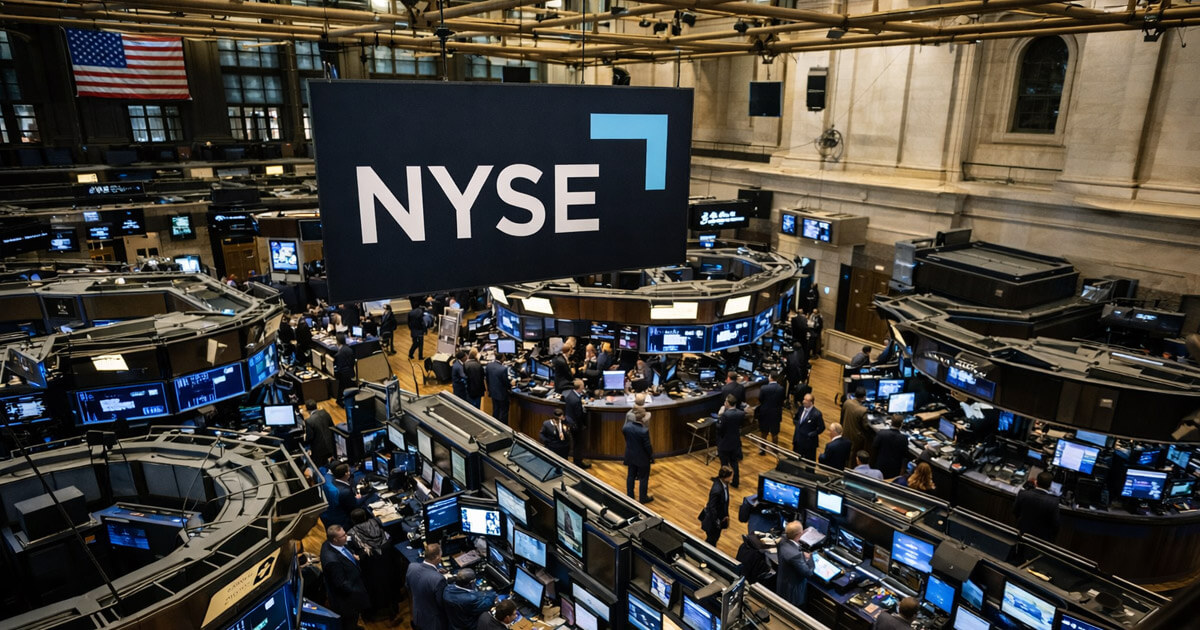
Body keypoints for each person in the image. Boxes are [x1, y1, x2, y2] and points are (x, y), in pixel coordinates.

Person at [348, 508, 396, 620]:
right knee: (388, 585)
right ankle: (392, 608)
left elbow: (351, 549)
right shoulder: (375, 522)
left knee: (374, 590)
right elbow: (388, 538)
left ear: (353, 520)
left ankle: (374, 613)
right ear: (365, 517)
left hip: (369, 568)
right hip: (386, 562)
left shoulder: (351, 533)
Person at [321, 525, 370, 630]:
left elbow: (344, 550)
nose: (346, 536)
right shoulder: (332, 561)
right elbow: (342, 584)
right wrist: (358, 592)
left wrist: (352, 554)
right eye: (343, 535)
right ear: (335, 539)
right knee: (350, 621)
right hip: (347, 601)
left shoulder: (329, 543)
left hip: (353, 583)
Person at [407, 543, 449, 630]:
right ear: (437, 557)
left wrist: (436, 572)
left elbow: (408, 586)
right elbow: (441, 603)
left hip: (417, 614)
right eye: (441, 555)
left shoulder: (412, 566)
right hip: (433, 622)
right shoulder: (439, 579)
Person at [776, 520, 815, 608]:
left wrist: (802, 554)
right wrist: (811, 558)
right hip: (793, 594)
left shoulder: (782, 541)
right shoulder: (795, 556)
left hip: (782, 584)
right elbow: (808, 573)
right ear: (799, 535)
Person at [1015, 471, 1061, 542]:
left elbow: (1015, 511)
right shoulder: (1054, 502)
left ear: (1036, 482)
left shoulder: (1023, 494)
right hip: (1040, 540)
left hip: (1021, 533)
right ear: (1050, 486)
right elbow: (1055, 525)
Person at [325, 462, 370, 529]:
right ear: (346, 473)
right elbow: (355, 506)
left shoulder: (334, 482)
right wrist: (365, 495)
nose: (350, 472)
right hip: (347, 520)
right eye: (349, 470)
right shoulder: (345, 492)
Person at [623, 406, 653, 503]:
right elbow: (647, 446)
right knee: (643, 478)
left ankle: (630, 497)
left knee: (630, 475)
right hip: (642, 458)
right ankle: (643, 498)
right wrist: (651, 456)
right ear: (643, 418)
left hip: (630, 455)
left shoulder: (626, 427)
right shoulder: (643, 431)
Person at [716, 394, 745, 488]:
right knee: (734, 463)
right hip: (735, 442)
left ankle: (723, 482)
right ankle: (735, 481)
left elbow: (720, 428)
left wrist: (719, 416)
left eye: (725, 402)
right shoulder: (741, 413)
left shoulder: (725, 415)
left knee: (724, 464)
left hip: (724, 443)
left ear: (727, 403)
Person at [701, 465, 734, 545]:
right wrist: (717, 522)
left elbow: (724, 502)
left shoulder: (724, 484)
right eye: (731, 476)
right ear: (725, 477)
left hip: (720, 518)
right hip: (713, 522)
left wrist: (726, 515)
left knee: (715, 538)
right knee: (711, 540)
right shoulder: (717, 490)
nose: (732, 478)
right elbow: (712, 507)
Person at [564, 379, 591, 468]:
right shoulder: (576, 400)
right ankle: (578, 463)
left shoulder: (570, 394)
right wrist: (582, 426)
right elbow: (578, 415)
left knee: (576, 443)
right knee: (578, 444)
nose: (584, 387)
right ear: (580, 387)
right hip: (576, 425)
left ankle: (577, 461)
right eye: (583, 385)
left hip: (570, 422)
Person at [872, 415, 910, 479]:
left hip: (880, 464)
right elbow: (905, 454)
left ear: (891, 422)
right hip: (894, 468)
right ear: (901, 424)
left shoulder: (881, 433)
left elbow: (874, 447)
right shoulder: (903, 438)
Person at [756, 372, 785, 454]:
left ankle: (762, 449)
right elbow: (782, 401)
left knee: (764, 432)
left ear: (770, 377)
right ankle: (775, 449)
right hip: (775, 413)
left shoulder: (764, 388)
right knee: (775, 433)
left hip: (764, 412)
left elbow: (760, 399)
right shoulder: (781, 389)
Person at [302, 399, 335, 468]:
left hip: (319, 452)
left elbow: (310, 437)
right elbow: (333, 427)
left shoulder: (309, 421)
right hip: (332, 446)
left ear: (307, 410)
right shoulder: (325, 413)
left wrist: (305, 439)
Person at [792, 393, 825, 461]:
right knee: (795, 460)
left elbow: (822, 427)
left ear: (811, 402)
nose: (803, 401)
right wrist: (797, 426)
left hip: (809, 443)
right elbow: (796, 418)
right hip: (798, 440)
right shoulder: (801, 408)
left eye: (806, 400)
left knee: (808, 463)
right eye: (804, 399)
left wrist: (812, 433)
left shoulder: (817, 414)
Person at [841, 386, 870, 456]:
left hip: (845, 432)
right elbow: (866, 427)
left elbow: (842, 416)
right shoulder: (863, 410)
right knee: (853, 456)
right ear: (864, 397)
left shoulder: (847, 402)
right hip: (856, 438)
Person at [485, 354, 514, 424]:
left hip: (493, 392)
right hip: (502, 394)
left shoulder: (489, 366)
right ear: (501, 358)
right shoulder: (503, 369)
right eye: (504, 357)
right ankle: (504, 430)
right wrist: (511, 385)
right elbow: (505, 382)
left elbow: (487, 379)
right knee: (503, 413)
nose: (505, 358)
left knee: (495, 410)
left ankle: (494, 426)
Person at [333, 333, 356, 404]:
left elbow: (338, 367)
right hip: (350, 372)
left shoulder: (338, 354)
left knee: (342, 386)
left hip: (343, 374)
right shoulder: (349, 349)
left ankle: (341, 401)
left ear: (337, 341)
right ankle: (339, 400)